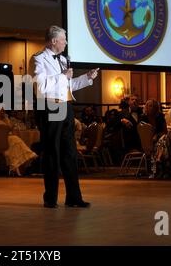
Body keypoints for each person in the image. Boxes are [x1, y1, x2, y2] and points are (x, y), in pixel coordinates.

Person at [28, 25, 99, 208]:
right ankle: (50, 198)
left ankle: (73, 197)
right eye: (63, 39)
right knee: (52, 152)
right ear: (53, 41)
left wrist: (87, 78)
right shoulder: (38, 59)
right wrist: (62, 76)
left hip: (66, 106)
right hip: (50, 107)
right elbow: (40, 87)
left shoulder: (63, 59)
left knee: (70, 153)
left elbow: (67, 85)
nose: (66, 42)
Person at [0, 108, 38, 176]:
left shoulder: (3, 118)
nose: (3, 112)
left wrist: (6, 119)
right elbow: (5, 128)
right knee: (15, 139)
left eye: (3, 110)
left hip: (7, 139)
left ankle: (16, 168)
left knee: (14, 146)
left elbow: (9, 128)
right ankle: (29, 154)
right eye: (1, 110)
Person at [139, 99, 171, 178]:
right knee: (164, 143)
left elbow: (165, 131)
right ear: (146, 107)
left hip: (159, 139)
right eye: (150, 106)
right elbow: (142, 132)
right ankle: (164, 170)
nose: (152, 107)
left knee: (164, 140)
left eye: (154, 106)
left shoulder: (160, 116)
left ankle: (159, 165)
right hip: (147, 142)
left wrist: (157, 136)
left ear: (157, 107)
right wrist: (151, 138)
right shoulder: (143, 117)